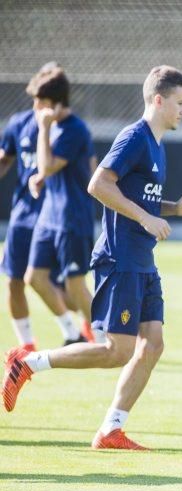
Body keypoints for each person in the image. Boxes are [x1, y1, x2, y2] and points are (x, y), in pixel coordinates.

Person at [2, 66, 182, 451]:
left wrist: (175, 208)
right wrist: (145, 217)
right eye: (180, 103)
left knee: (153, 344)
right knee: (117, 351)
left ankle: (111, 429)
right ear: (158, 101)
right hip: (121, 257)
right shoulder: (135, 138)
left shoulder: (157, 144)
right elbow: (98, 184)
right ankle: (27, 363)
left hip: (142, 259)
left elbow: (140, 199)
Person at [0, 64, 95, 349]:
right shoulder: (20, 123)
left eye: (40, 100)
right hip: (27, 217)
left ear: (55, 102)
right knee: (20, 279)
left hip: (63, 218)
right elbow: (6, 159)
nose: (35, 106)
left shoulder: (71, 129)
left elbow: (64, 166)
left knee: (70, 287)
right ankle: (39, 342)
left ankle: (102, 333)